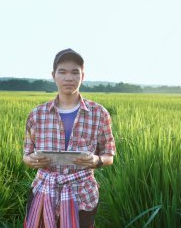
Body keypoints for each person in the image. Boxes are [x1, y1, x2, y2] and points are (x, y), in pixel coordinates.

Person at [23, 48, 116, 228]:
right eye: (62, 72)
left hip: (82, 193)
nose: (69, 78)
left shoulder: (99, 113)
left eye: (75, 72)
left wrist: (96, 160)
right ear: (53, 75)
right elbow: (26, 156)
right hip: (44, 189)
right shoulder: (37, 114)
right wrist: (32, 160)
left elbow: (109, 156)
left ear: (83, 76)